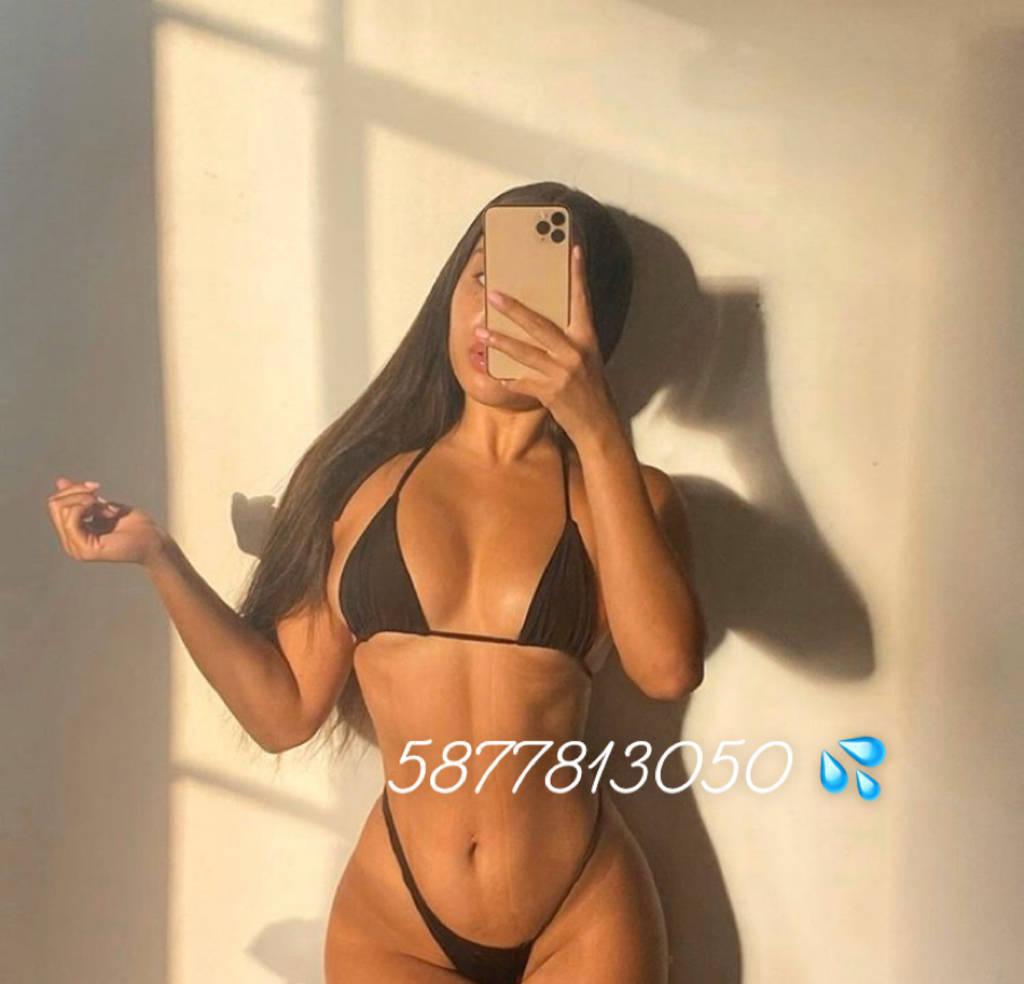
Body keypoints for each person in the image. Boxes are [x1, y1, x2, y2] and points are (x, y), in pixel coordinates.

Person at [46, 181, 706, 983]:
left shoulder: (626, 496)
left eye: (533, 293)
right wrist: (159, 558)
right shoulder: (361, 487)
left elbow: (666, 668)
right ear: (449, 294)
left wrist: (598, 431)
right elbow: (284, 712)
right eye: (480, 277)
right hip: (398, 922)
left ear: (590, 328)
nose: (495, 311)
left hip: (583, 911)